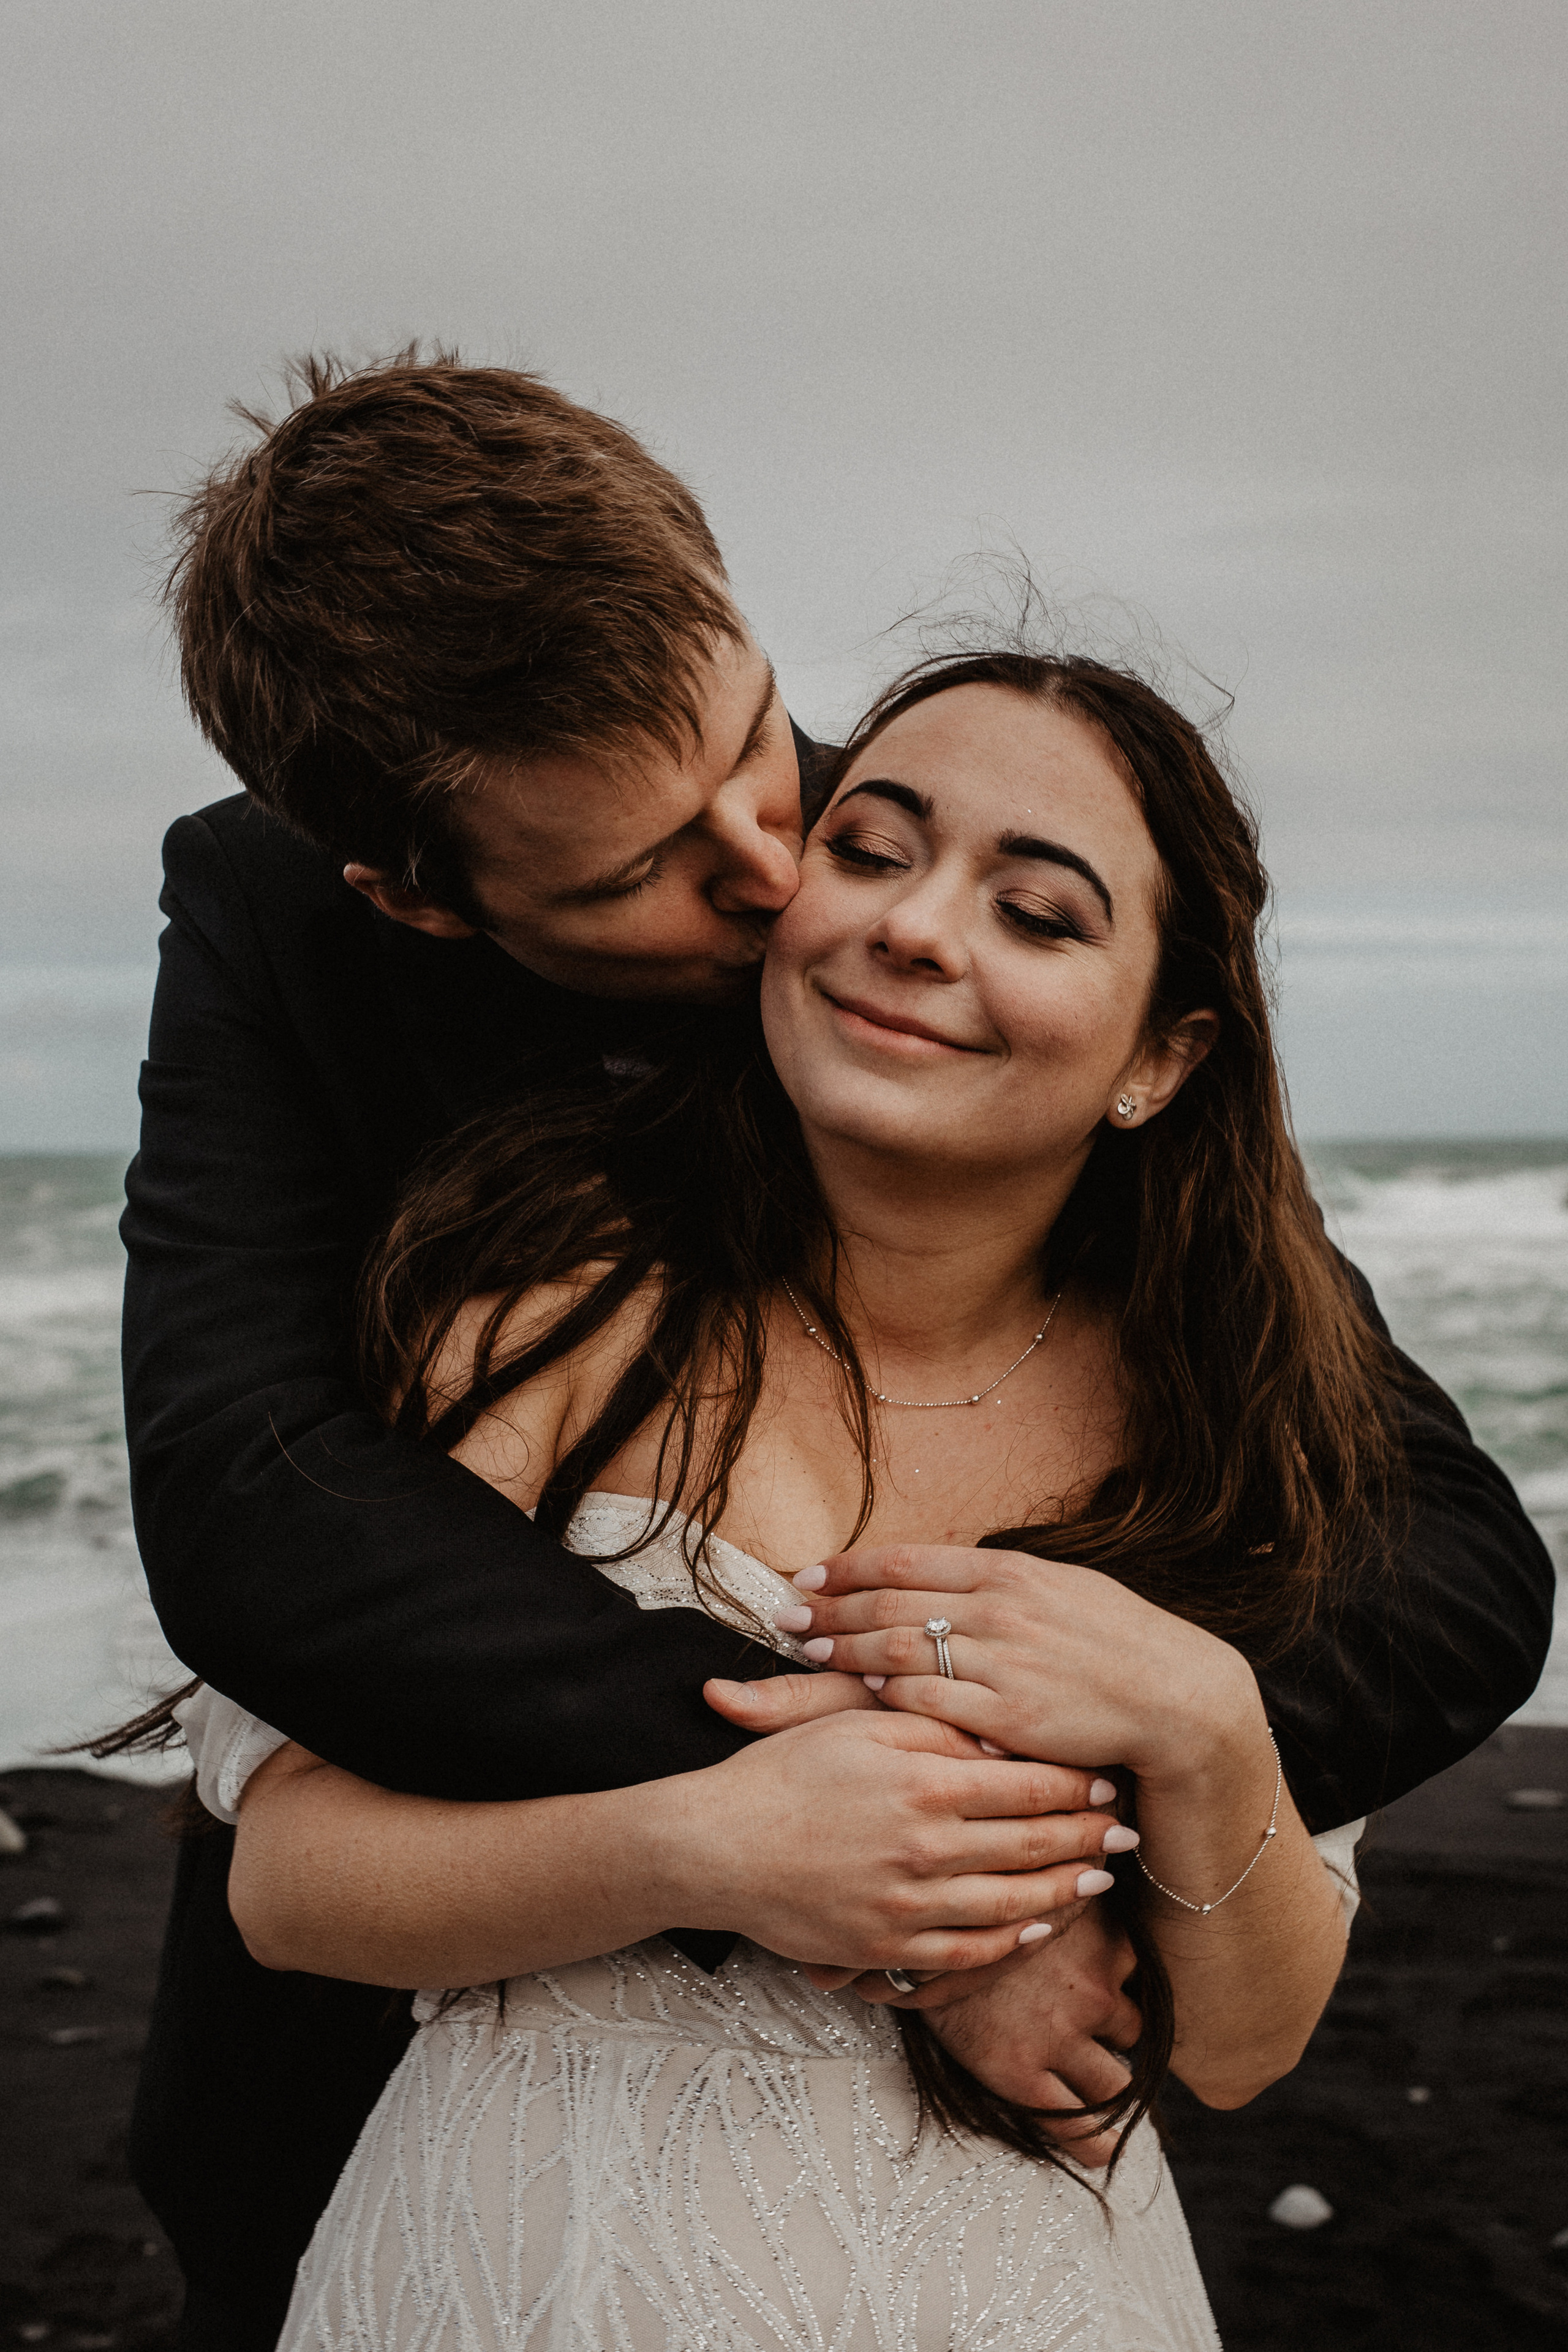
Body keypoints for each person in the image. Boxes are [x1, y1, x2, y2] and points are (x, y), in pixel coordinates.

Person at [119, 353, 1553, 2345]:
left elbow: (1446, 1558)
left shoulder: (1060, 1085)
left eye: (763, 751)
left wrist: (1136, 1769)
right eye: (641, 871)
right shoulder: (360, 1037)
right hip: (444, 2120)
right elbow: (253, 1501)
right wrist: (833, 1838)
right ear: (421, 903)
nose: (790, 876)